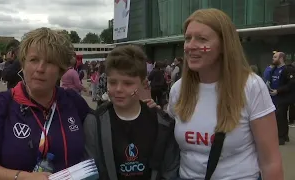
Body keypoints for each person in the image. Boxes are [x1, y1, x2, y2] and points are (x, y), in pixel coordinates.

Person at [168, 8, 283, 180]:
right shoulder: (178, 89)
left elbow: (271, 162)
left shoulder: (251, 86)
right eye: (187, 38)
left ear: (224, 45)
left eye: (202, 39)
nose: (191, 46)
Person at [0, 27, 90, 180]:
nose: (40, 68)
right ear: (23, 65)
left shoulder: (73, 102)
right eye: (34, 60)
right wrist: (20, 177)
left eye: (49, 62)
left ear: (60, 70)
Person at [83, 45, 179, 180]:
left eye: (128, 83)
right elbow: (92, 171)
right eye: (112, 82)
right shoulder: (94, 123)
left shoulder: (162, 123)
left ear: (144, 83)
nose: (118, 89)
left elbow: (169, 171)